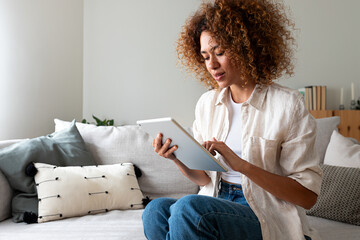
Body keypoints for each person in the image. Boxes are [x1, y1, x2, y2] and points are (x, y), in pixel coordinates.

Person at [142, 0, 322, 239]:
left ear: (246, 47)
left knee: (189, 209)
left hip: (264, 213)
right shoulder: (207, 104)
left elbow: (307, 197)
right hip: (215, 201)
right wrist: (178, 158)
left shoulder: (287, 105)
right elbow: (204, 178)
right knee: (155, 211)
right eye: (205, 56)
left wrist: (243, 166)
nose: (212, 65)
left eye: (220, 52)